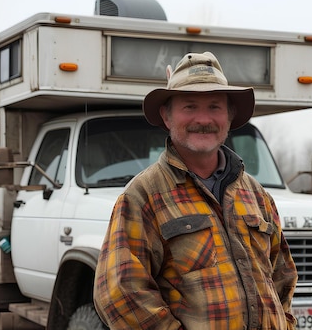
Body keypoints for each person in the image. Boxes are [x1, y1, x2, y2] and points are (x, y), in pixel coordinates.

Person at [94, 51, 298, 330]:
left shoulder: (258, 196)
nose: (203, 119)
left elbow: (282, 278)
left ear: (230, 115)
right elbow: (120, 295)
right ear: (167, 116)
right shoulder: (142, 197)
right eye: (189, 106)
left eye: (214, 106)